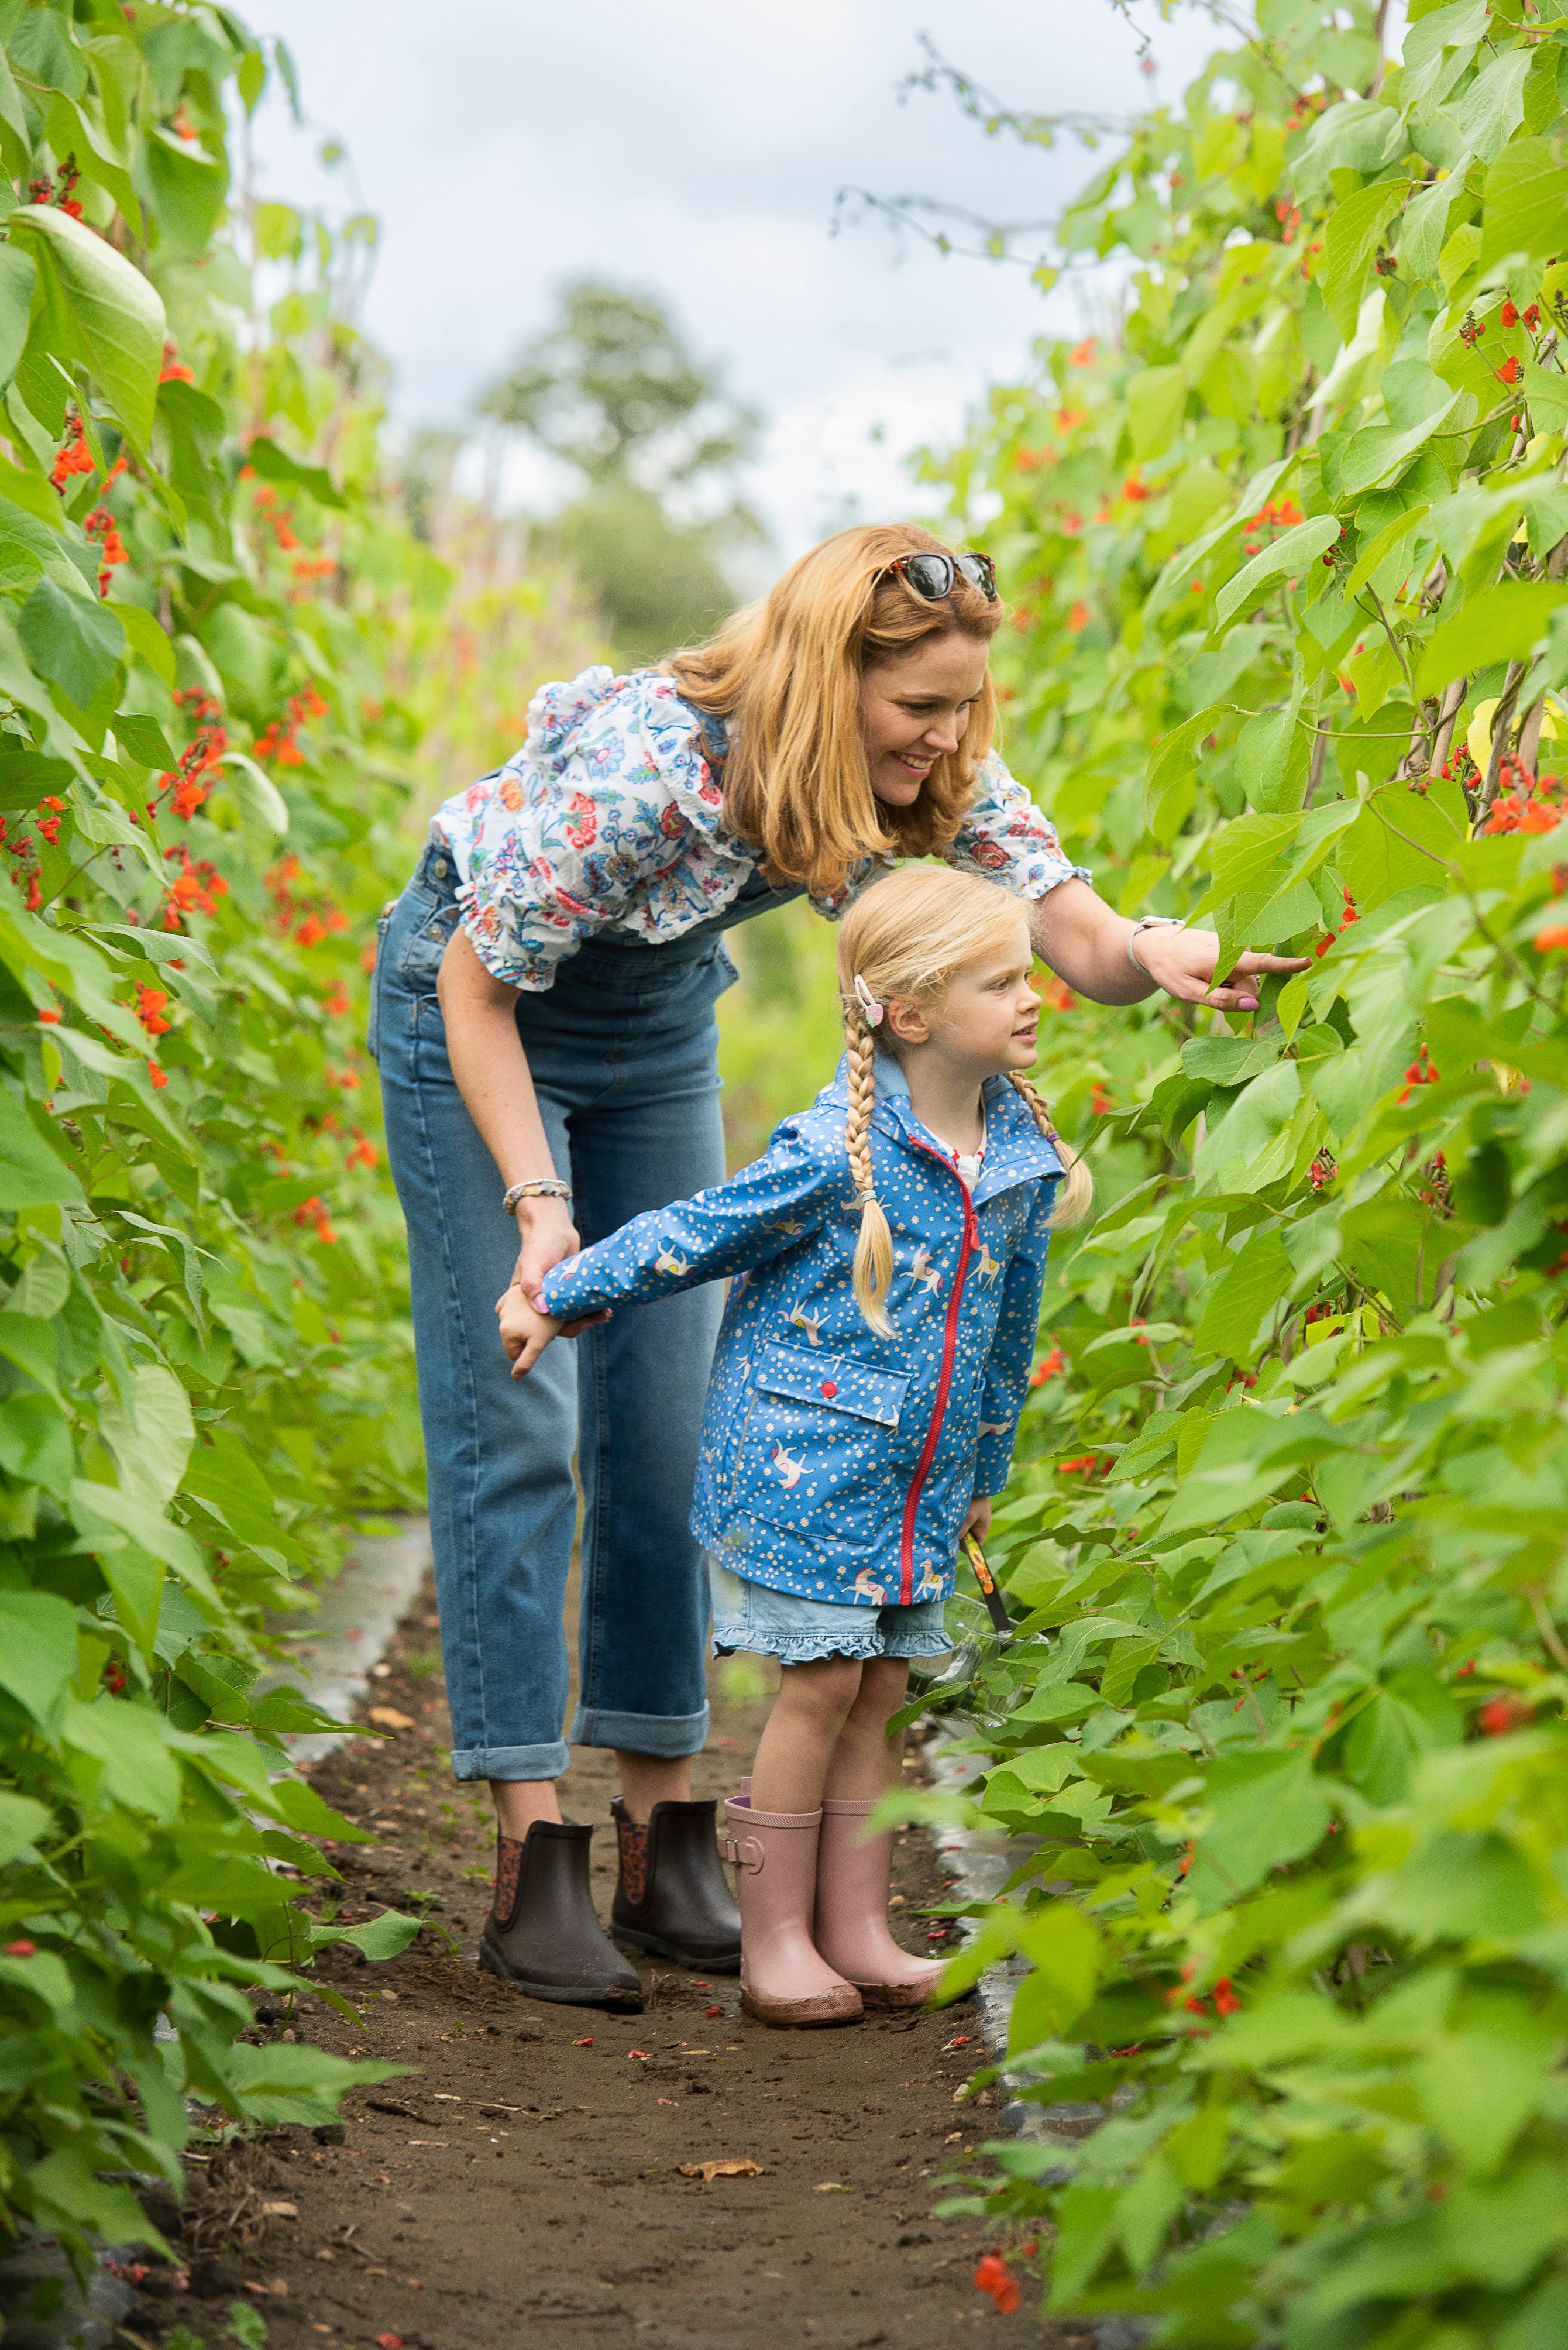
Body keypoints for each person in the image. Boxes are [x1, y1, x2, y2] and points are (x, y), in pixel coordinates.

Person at [371, 520, 1305, 2015]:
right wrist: (540, 1208)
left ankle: (665, 1834)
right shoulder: (652, 769)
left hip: (656, 1018)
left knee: (666, 1418)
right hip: (472, 1007)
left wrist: (1161, 954)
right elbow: (484, 984)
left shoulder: (928, 764)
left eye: (960, 711)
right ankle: (529, 1855)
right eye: (918, 709)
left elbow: (1065, 923)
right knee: (523, 1418)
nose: (946, 742)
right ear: (825, 676)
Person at [498, 867, 1089, 2023]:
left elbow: (1007, 1337)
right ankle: (773, 1941)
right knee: (819, 1686)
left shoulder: (1013, 1155)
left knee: (881, 1690)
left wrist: (981, 1475)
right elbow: (695, 1234)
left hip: (915, 1486)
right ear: (907, 1012)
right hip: (804, 1473)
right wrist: (562, 1290)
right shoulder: (836, 1152)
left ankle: (853, 1925)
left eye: (1029, 975)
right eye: (1004, 980)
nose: (1033, 999)